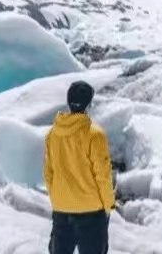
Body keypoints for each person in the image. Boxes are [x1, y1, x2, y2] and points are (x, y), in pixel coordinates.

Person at [43, 80, 115, 254]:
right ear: (89, 104)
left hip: (61, 208)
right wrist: (108, 205)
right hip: (91, 211)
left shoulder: (52, 134)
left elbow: (48, 173)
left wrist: (58, 200)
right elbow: (103, 175)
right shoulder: (95, 134)